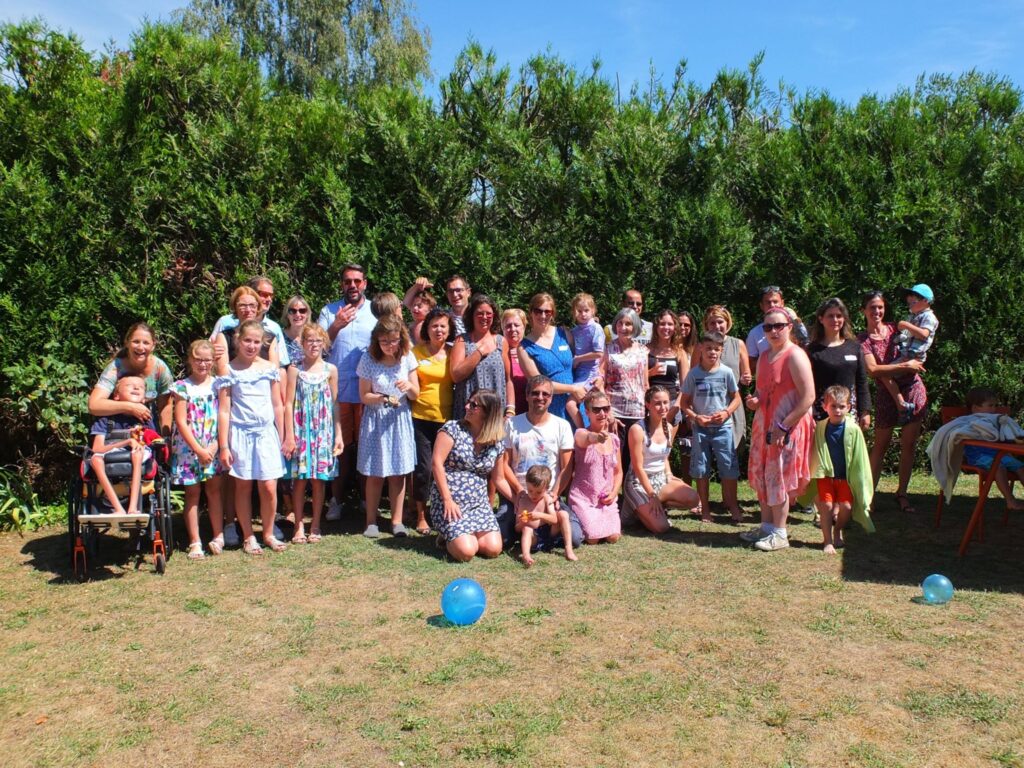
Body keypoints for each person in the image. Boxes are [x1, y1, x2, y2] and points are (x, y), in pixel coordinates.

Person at [741, 308, 815, 551]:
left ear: (789, 327)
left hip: (787, 426)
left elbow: (808, 397)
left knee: (779, 476)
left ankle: (780, 532)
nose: (773, 331)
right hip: (765, 425)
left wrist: (784, 426)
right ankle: (766, 527)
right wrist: (754, 401)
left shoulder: (796, 356)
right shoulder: (763, 357)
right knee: (764, 475)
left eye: (778, 326)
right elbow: (761, 392)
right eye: (768, 327)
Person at [216, 320, 287, 555]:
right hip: (240, 434)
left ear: (263, 343)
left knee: (268, 486)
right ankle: (248, 536)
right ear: (238, 339)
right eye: (247, 340)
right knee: (243, 486)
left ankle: (267, 533)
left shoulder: (269, 367)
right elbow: (224, 410)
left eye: (257, 342)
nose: (252, 346)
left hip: (267, 433)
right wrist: (224, 446)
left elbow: (278, 404)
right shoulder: (229, 369)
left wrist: (285, 436)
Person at [857, 290, 927, 513]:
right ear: (863, 311)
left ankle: (902, 493)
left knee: (909, 444)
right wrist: (904, 366)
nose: (877, 311)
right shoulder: (862, 340)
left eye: (880, 307)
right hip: (885, 394)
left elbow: (922, 345)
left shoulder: (897, 329)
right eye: (872, 307)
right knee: (880, 445)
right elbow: (873, 370)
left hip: (913, 388)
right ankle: (867, 496)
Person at [319, 264, 377, 520]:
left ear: (364, 283)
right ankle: (336, 500)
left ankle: (367, 500)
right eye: (347, 281)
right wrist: (335, 326)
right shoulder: (329, 311)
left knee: (367, 447)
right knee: (339, 449)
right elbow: (316, 347)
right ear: (341, 284)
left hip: (369, 392)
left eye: (357, 281)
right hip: (337, 392)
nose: (352, 285)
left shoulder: (375, 311)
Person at [500, 375, 583, 552]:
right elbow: (505, 464)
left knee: (575, 538)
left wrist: (554, 494)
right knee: (502, 539)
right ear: (527, 395)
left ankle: (541, 533)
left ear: (551, 398)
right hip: (518, 496)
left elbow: (567, 468)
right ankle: (531, 534)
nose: (540, 397)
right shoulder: (512, 424)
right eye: (535, 393)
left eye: (545, 394)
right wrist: (519, 491)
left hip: (547, 496)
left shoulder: (562, 425)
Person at [429, 389, 513, 561]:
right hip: (451, 503)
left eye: (474, 405)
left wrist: (519, 498)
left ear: (488, 412)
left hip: (478, 504)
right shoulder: (453, 429)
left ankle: (461, 534)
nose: (467, 406)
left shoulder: (495, 443)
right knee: (467, 551)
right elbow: (436, 464)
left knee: (493, 549)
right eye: (469, 402)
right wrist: (447, 500)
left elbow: (499, 479)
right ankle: (448, 536)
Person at [356, 315, 420, 538]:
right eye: (384, 341)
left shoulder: (407, 358)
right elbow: (364, 396)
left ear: (400, 339)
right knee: (375, 473)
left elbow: (416, 393)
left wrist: (408, 385)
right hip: (376, 419)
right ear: (376, 341)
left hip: (399, 419)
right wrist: (382, 398)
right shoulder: (368, 359)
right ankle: (371, 522)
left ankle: (397, 521)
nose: (389, 346)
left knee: (398, 473)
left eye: (393, 341)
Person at [281, 324, 342, 544]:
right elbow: (288, 404)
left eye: (318, 341)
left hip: (323, 433)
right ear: (302, 343)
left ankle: (315, 524)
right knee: (299, 480)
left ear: (324, 344)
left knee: (319, 480)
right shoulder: (295, 370)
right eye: (309, 341)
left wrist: (338, 434)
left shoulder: (330, 370)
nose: (314, 345)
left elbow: (336, 405)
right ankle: (298, 526)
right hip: (301, 432)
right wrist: (289, 436)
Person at [680, 331, 743, 523]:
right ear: (701, 349)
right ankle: (705, 508)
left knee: (729, 467)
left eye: (716, 349)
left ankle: (732, 505)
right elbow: (684, 403)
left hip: (723, 428)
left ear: (721, 351)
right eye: (708, 348)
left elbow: (736, 398)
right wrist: (696, 417)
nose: (712, 352)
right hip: (701, 429)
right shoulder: (694, 374)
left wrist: (725, 413)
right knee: (701, 469)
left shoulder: (726, 372)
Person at [170, 341, 225, 558]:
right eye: (198, 359)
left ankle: (218, 536)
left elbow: (224, 416)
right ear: (191, 360)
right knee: (192, 493)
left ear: (213, 361)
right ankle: (195, 541)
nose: (202, 364)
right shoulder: (182, 387)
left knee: (214, 491)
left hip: (213, 445)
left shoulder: (219, 384)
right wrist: (198, 450)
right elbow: (181, 422)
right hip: (189, 448)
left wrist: (214, 446)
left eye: (207, 360)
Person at [622, 385, 700, 533]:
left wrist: (669, 475)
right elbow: (638, 467)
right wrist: (651, 494)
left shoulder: (669, 428)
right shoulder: (637, 430)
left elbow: (664, 456)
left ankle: (652, 508)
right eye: (657, 403)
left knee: (693, 498)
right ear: (648, 405)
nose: (663, 407)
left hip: (660, 479)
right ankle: (633, 510)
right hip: (638, 482)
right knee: (661, 528)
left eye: (665, 402)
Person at [808, 385, 874, 554]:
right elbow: (814, 451)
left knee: (846, 507)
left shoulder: (853, 429)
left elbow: (861, 457)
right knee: (826, 506)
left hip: (845, 477)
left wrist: (861, 479)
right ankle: (827, 541)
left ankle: (838, 530)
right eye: (833, 406)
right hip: (826, 475)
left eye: (842, 406)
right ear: (825, 407)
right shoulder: (820, 427)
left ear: (849, 407)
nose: (837, 410)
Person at [411, 308, 455, 534]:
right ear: (427, 329)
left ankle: (444, 511)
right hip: (421, 418)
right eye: (434, 326)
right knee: (424, 469)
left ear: (449, 330)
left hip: (447, 420)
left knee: (446, 468)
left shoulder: (454, 352)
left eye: (443, 326)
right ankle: (420, 515)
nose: (439, 330)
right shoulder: (415, 352)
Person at [88, 376, 157, 516]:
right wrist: (127, 441)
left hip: (136, 454)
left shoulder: (145, 419)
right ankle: (118, 508)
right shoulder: (106, 419)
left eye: (141, 387)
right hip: (110, 451)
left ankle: (133, 508)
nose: (136, 388)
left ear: (144, 399)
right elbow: (97, 449)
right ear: (117, 396)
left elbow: (151, 442)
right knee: (95, 459)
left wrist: (137, 438)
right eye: (130, 385)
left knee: (137, 453)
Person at [88, 322, 173, 434]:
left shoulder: (160, 369)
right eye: (136, 342)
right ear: (127, 342)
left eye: (146, 343)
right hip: (117, 428)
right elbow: (94, 405)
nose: (140, 347)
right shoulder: (115, 368)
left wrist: (166, 438)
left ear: (153, 346)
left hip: (148, 427)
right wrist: (130, 407)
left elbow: (165, 406)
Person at [518, 294, 586, 421]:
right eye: (538, 311)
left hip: (576, 401)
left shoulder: (564, 334)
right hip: (551, 407)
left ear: (552, 313)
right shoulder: (524, 348)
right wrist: (572, 389)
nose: (543, 316)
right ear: (531, 312)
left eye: (547, 311)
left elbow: (578, 364)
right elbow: (538, 383)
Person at [878, 284, 938, 425]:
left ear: (926, 301)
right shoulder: (914, 316)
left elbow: (924, 334)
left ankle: (903, 405)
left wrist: (906, 325)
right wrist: (898, 337)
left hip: (913, 356)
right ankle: (903, 404)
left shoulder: (929, 316)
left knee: (884, 374)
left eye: (914, 298)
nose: (909, 299)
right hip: (907, 353)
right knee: (887, 375)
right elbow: (907, 335)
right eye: (909, 297)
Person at [568, 390, 622, 544]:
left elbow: (618, 472)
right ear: (587, 412)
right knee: (593, 538)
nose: (602, 413)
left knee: (613, 537)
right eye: (596, 410)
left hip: (606, 500)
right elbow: (586, 439)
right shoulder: (580, 433)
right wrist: (596, 437)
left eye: (606, 409)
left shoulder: (614, 439)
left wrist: (613, 492)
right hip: (583, 498)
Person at [807, 297, 871, 426]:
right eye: (830, 316)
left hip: (849, 415)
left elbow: (861, 381)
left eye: (839, 316)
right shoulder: (811, 351)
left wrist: (865, 411)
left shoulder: (854, 347)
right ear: (821, 319)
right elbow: (807, 386)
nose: (835, 320)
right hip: (821, 416)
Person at [600, 307, 648, 473]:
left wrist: (648, 411)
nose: (624, 327)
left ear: (634, 326)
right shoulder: (608, 349)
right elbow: (600, 380)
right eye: (620, 323)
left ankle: (630, 498)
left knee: (634, 460)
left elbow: (645, 383)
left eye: (628, 324)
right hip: (615, 412)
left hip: (638, 412)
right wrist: (607, 411)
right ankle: (611, 497)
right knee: (613, 457)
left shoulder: (643, 351)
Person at [450, 294, 513, 419]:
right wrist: (479, 352)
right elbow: (455, 375)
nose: (484, 317)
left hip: (495, 414)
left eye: (488, 313)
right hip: (468, 412)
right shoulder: (462, 340)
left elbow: (508, 379)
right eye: (479, 313)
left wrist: (510, 409)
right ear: (472, 316)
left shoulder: (501, 341)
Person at [962, 387, 1024, 510]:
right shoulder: (969, 422)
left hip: (999, 454)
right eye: (990, 405)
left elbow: (1006, 435)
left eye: (995, 405)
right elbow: (959, 436)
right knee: (998, 467)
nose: (994, 409)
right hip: (978, 457)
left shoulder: (997, 421)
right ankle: (1010, 500)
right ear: (975, 408)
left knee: (1021, 467)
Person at [702, 305, 752, 451]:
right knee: (707, 455)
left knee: (732, 453)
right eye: (712, 323)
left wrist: (745, 378)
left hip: (732, 405)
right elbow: (693, 376)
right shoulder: (701, 346)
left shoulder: (738, 344)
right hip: (707, 404)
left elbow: (746, 374)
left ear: (727, 323)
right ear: (706, 325)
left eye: (720, 322)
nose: (717, 326)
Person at [211, 277, 289, 368]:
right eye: (264, 294)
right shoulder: (225, 323)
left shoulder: (273, 328)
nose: (269, 299)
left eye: (271, 295)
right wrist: (211, 352)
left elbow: (280, 366)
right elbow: (210, 353)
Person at [565, 293, 605, 427]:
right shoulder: (575, 331)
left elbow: (599, 353)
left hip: (590, 374)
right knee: (588, 406)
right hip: (579, 375)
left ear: (593, 311)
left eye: (586, 310)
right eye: (579, 311)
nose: (583, 314)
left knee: (571, 404)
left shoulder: (596, 328)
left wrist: (578, 359)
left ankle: (583, 430)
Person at [745, 286, 808, 363]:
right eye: (768, 302)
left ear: (782, 303)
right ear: (761, 306)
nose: (772, 305)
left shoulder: (796, 327)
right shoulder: (754, 333)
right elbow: (751, 362)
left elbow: (807, 349)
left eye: (775, 301)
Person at [647, 309, 689, 416]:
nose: (666, 327)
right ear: (656, 327)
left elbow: (686, 385)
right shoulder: (645, 350)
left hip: (671, 404)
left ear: (675, 328)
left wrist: (676, 407)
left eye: (670, 324)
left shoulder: (680, 353)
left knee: (667, 433)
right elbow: (637, 379)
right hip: (649, 404)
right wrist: (651, 372)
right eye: (662, 324)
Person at [502, 308, 530, 415]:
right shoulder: (499, 353)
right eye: (508, 326)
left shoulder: (534, 351)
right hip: (507, 413)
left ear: (524, 326)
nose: (512, 329)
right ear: (503, 329)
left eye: (516, 325)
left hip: (532, 412)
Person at [281, 295, 314, 368]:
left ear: (307, 314)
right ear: (287, 315)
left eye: (302, 311)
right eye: (292, 311)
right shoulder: (279, 337)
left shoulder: (314, 336)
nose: (298, 314)